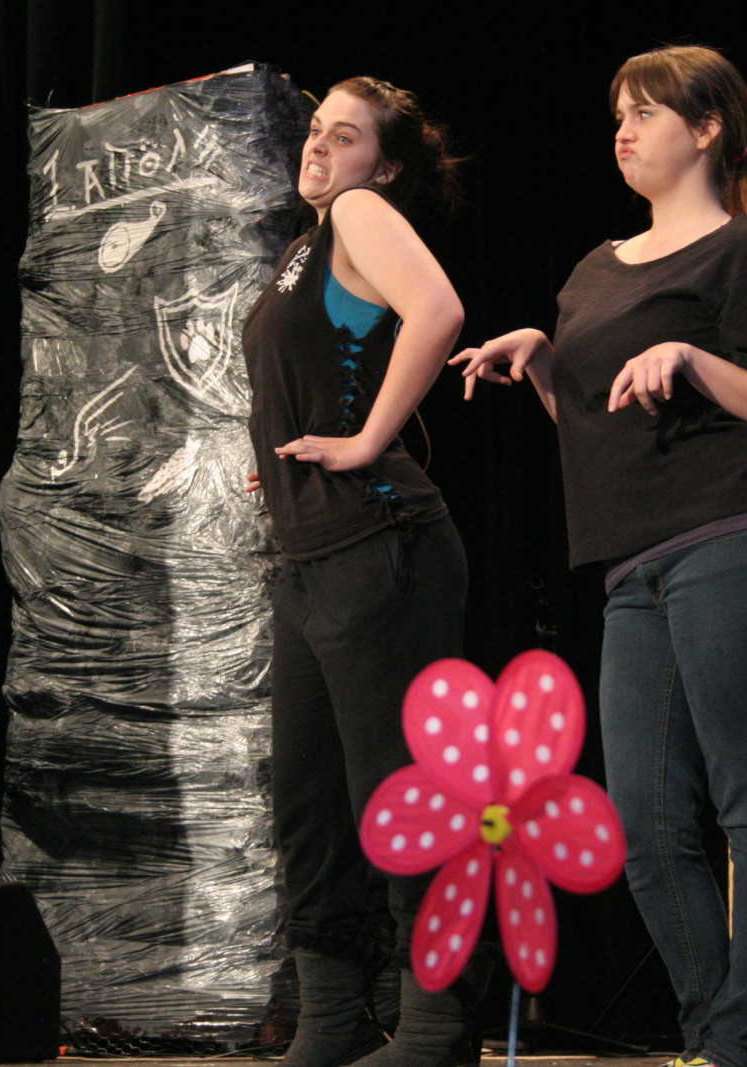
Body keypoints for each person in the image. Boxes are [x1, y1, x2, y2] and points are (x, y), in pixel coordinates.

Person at [451, 45, 747, 1067]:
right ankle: (712, 1034)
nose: (623, 132)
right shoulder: (593, 269)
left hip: (737, 542)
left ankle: (743, 1043)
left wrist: (693, 357)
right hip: (632, 568)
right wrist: (543, 360)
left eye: (645, 113)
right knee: (645, 822)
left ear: (705, 129)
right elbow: (597, 429)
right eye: (617, 114)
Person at [241, 77, 474, 1067]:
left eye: (345, 136)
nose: (319, 147)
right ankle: (333, 1018)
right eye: (314, 130)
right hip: (308, 560)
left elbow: (439, 310)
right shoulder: (305, 247)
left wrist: (366, 437)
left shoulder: (360, 214)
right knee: (310, 804)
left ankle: (437, 1025)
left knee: (398, 791)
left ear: (382, 166)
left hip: (380, 543)